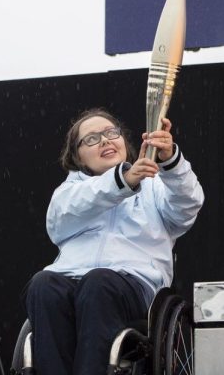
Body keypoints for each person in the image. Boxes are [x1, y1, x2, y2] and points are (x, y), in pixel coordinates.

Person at [23, 109, 204, 375]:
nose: (106, 141)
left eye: (111, 133)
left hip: (130, 284)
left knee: (98, 283)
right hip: (70, 282)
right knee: (42, 284)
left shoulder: (154, 186)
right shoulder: (69, 192)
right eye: (92, 139)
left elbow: (188, 205)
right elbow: (62, 217)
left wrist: (170, 161)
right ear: (77, 156)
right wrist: (122, 181)